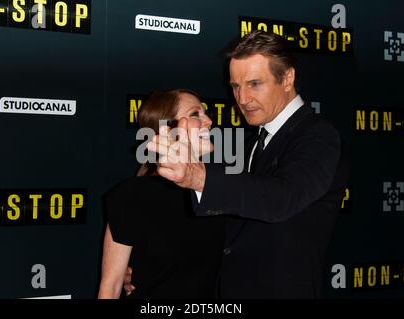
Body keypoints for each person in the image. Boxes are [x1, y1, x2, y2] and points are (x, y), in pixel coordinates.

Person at [147, 30, 349, 298]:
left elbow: (280, 197)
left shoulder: (318, 135)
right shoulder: (249, 142)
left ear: (287, 78)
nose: (241, 99)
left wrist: (197, 177)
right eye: (235, 86)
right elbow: (222, 213)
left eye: (255, 84)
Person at [98, 89, 225, 299]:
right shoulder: (132, 196)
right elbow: (110, 287)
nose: (209, 121)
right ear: (168, 130)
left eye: (205, 113)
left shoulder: (225, 188)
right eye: (195, 114)